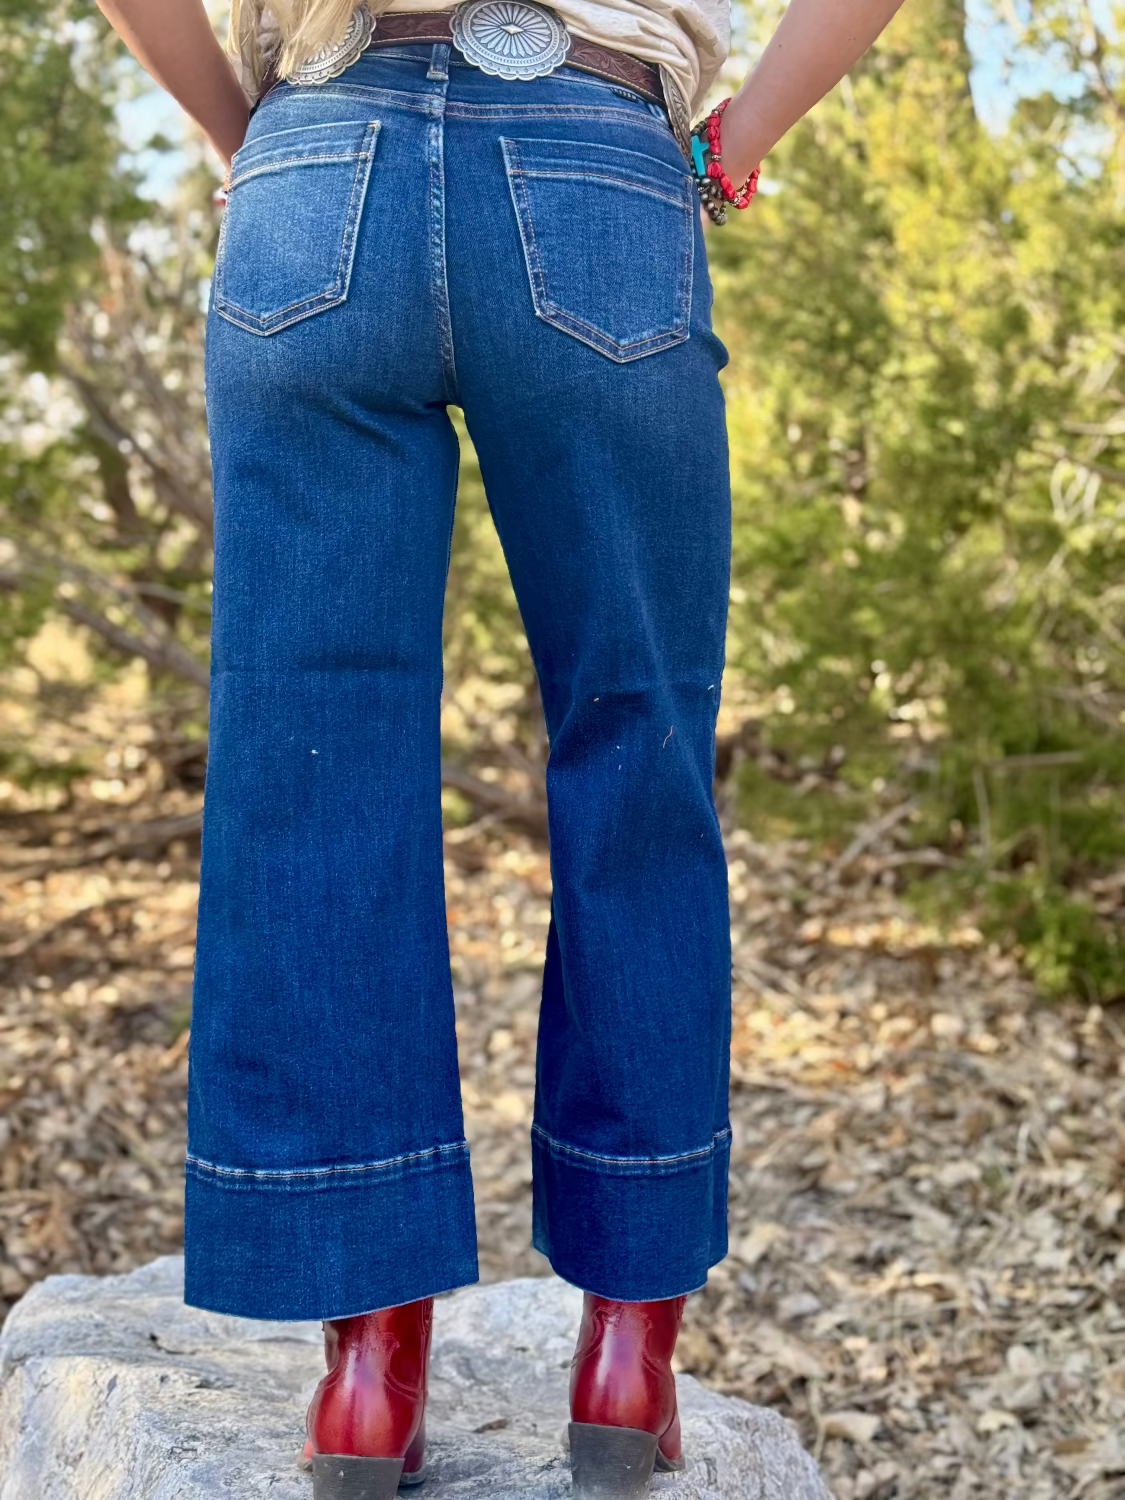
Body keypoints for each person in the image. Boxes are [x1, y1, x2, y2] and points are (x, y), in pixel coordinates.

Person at [95, 1, 907, 1495]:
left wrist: (241, 133)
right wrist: (734, 145)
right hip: (595, 162)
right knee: (636, 743)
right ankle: (626, 1357)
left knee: (311, 761)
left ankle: (367, 1377)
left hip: (316, 160)